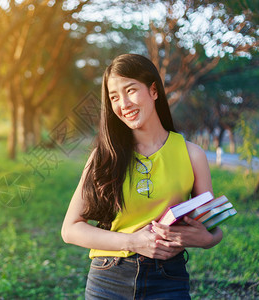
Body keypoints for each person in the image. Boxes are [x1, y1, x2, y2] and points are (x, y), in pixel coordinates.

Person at [61, 54, 223, 299]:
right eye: (114, 97)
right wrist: (133, 242)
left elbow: (213, 229)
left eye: (131, 90)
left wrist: (205, 239)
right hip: (108, 279)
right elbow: (70, 229)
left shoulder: (192, 154)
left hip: (168, 280)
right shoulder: (103, 157)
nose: (123, 103)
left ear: (154, 90)